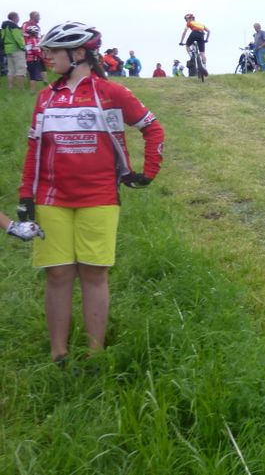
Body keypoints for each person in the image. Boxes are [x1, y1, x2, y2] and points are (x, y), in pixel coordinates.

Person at [19, 21, 165, 364]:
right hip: (51, 197)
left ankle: (95, 353)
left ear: (79, 53)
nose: (47, 56)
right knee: (57, 274)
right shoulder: (46, 96)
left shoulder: (111, 92)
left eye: (54, 51)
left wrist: (147, 172)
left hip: (99, 196)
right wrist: (26, 195)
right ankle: (58, 353)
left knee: (94, 273)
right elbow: (34, 149)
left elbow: (152, 128)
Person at [2, 12, 29, 89]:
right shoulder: (14, 26)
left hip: (8, 49)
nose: (18, 18)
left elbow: (3, 37)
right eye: (18, 17)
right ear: (15, 17)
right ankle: (21, 88)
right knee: (20, 69)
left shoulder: (4, 26)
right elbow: (18, 38)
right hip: (17, 49)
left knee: (11, 70)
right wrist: (23, 48)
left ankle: (10, 87)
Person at [23, 12, 46, 83]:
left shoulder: (37, 26)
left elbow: (39, 37)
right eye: (38, 17)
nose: (39, 18)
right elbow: (23, 34)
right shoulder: (26, 24)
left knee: (42, 64)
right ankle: (31, 80)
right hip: (29, 48)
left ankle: (45, 81)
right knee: (30, 65)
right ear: (33, 17)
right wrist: (29, 43)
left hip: (37, 47)